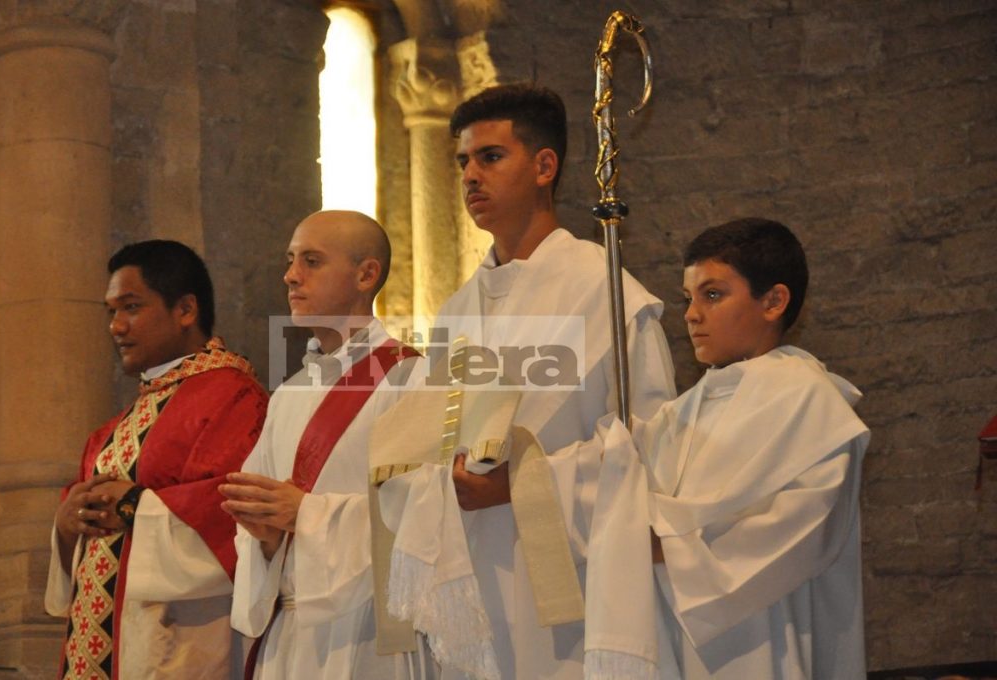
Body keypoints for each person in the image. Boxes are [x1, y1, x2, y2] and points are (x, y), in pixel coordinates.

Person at [374, 84, 676, 679]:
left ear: (544, 166)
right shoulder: (458, 310)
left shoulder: (606, 293)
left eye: (490, 157)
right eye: (463, 161)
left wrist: (524, 485)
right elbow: (434, 437)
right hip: (471, 578)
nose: (470, 177)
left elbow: (649, 450)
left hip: (570, 579)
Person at [583, 218, 870, 679]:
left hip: (769, 640)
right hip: (682, 645)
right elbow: (619, 474)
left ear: (774, 301)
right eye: (688, 299)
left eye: (712, 295)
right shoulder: (687, 410)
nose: (692, 314)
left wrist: (664, 548)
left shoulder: (814, 408)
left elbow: (799, 539)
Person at [45, 240, 269, 680]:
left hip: (181, 644)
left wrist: (133, 508)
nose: (116, 326)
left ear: (186, 309)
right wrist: (67, 524)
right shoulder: (112, 429)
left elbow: (235, 519)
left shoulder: (232, 397)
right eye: (111, 312)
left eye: (131, 307)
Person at [221, 211, 427, 679]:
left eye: (312, 261)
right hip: (292, 635)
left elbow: (421, 515)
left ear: (366, 274)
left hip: (369, 633)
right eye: (291, 261)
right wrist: (267, 537)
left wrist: (305, 515)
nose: (291, 276)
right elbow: (266, 530)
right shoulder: (288, 396)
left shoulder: (410, 378)